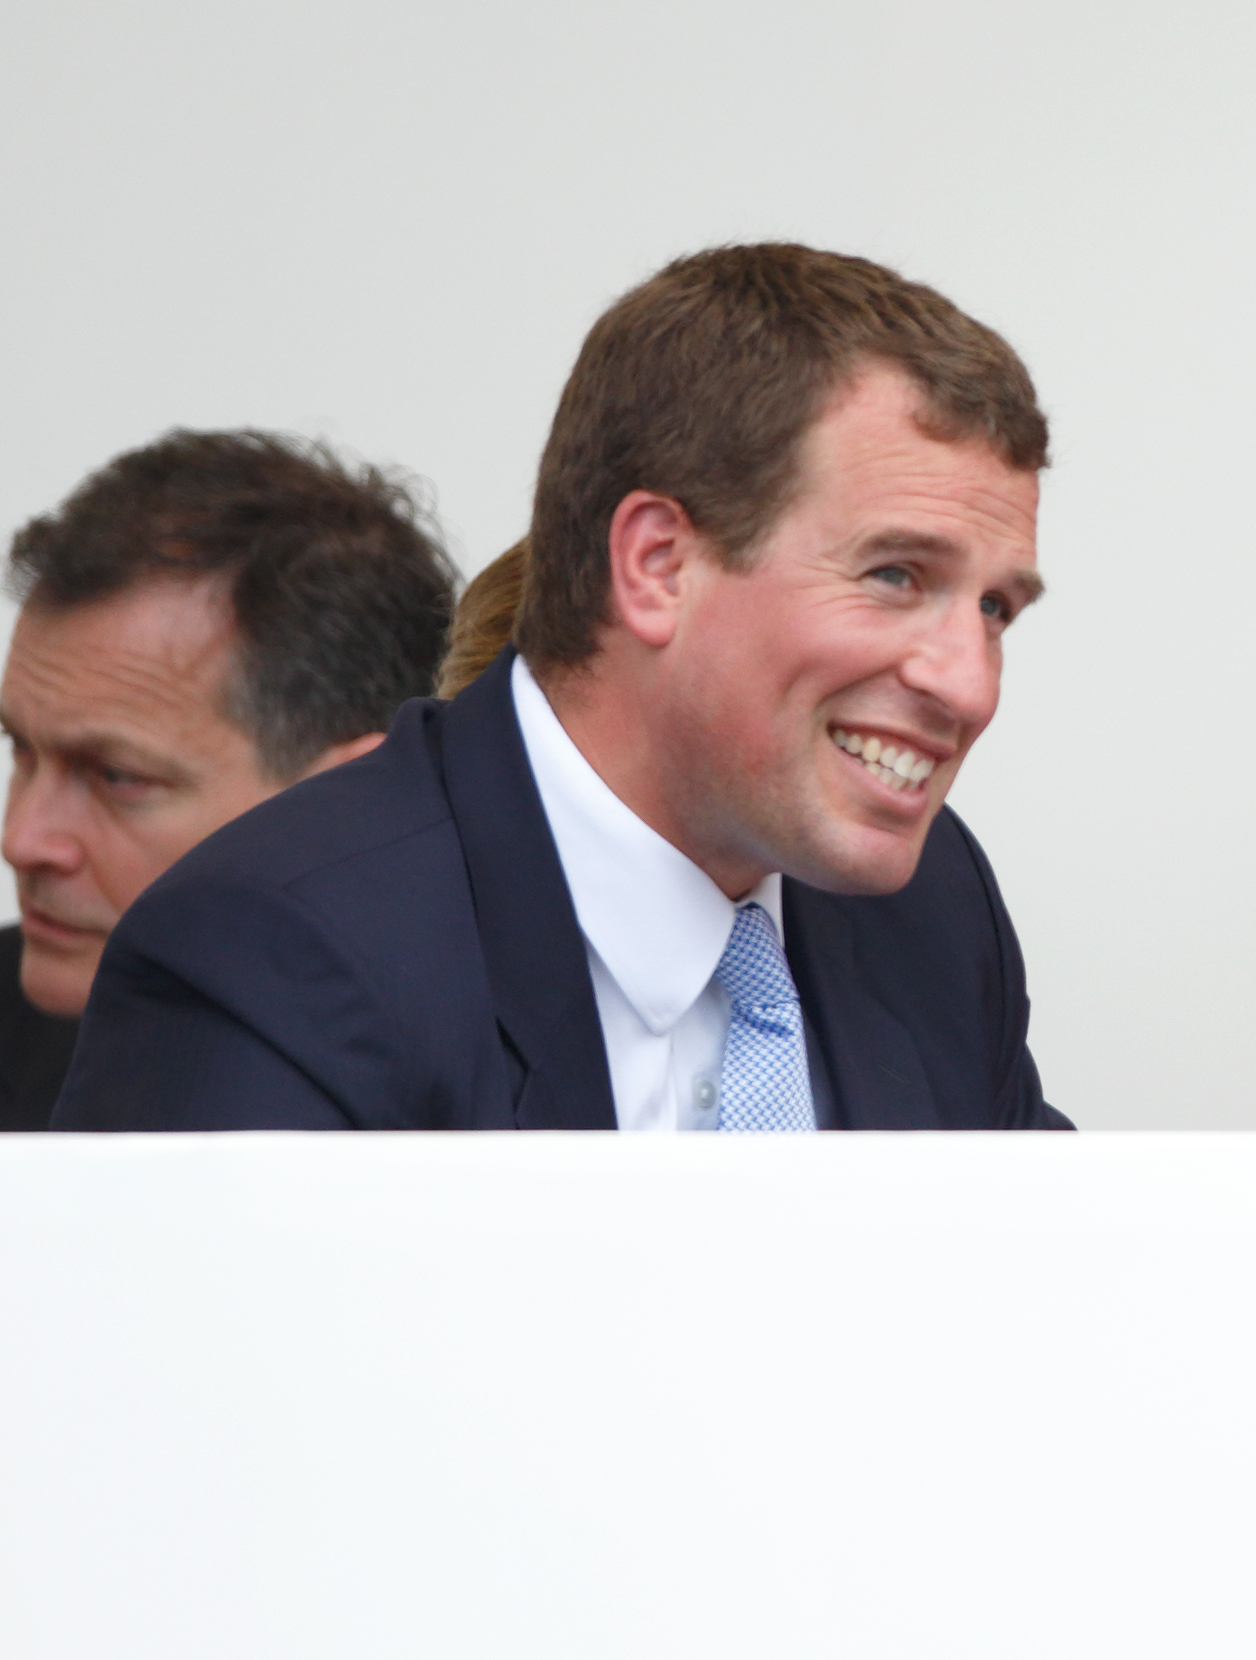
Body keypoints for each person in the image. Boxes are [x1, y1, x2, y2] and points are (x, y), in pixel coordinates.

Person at [55, 243, 1066, 1131]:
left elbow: (1054, 1318)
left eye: (994, 610)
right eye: (896, 575)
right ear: (659, 565)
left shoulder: (930, 909)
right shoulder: (281, 952)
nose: (970, 687)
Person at [1, 433, 455, 1127]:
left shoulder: (512, 1123)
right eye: (20, 750)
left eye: (116, 777)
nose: (23, 839)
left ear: (349, 798)